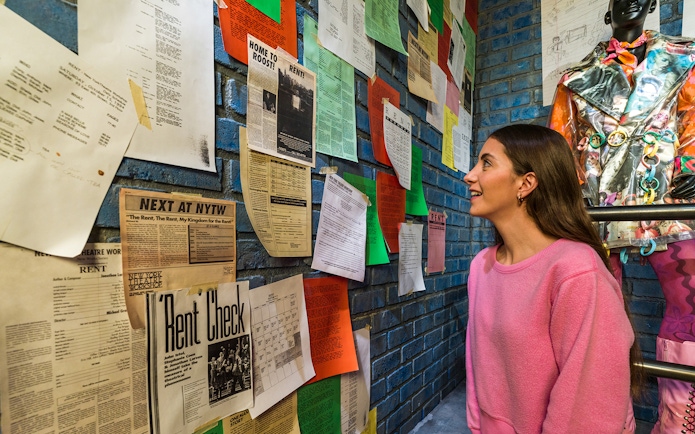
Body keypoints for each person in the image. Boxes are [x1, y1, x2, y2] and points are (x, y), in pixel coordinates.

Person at [548, 1, 695, 432]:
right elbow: (560, 148)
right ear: (608, 9)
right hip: (596, 212)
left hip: (667, 203)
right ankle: (604, 420)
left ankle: (678, 423)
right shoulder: (575, 79)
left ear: (652, 5)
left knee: (690, 306)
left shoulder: (685, 60)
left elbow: (693, 124)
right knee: (594, 318)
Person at [464, 124, 638, 433]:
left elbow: (587, 406)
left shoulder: (576, 270)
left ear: (526, 183)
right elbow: (480, 367)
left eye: (486, 163)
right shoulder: (481, 266)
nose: (470, 175)